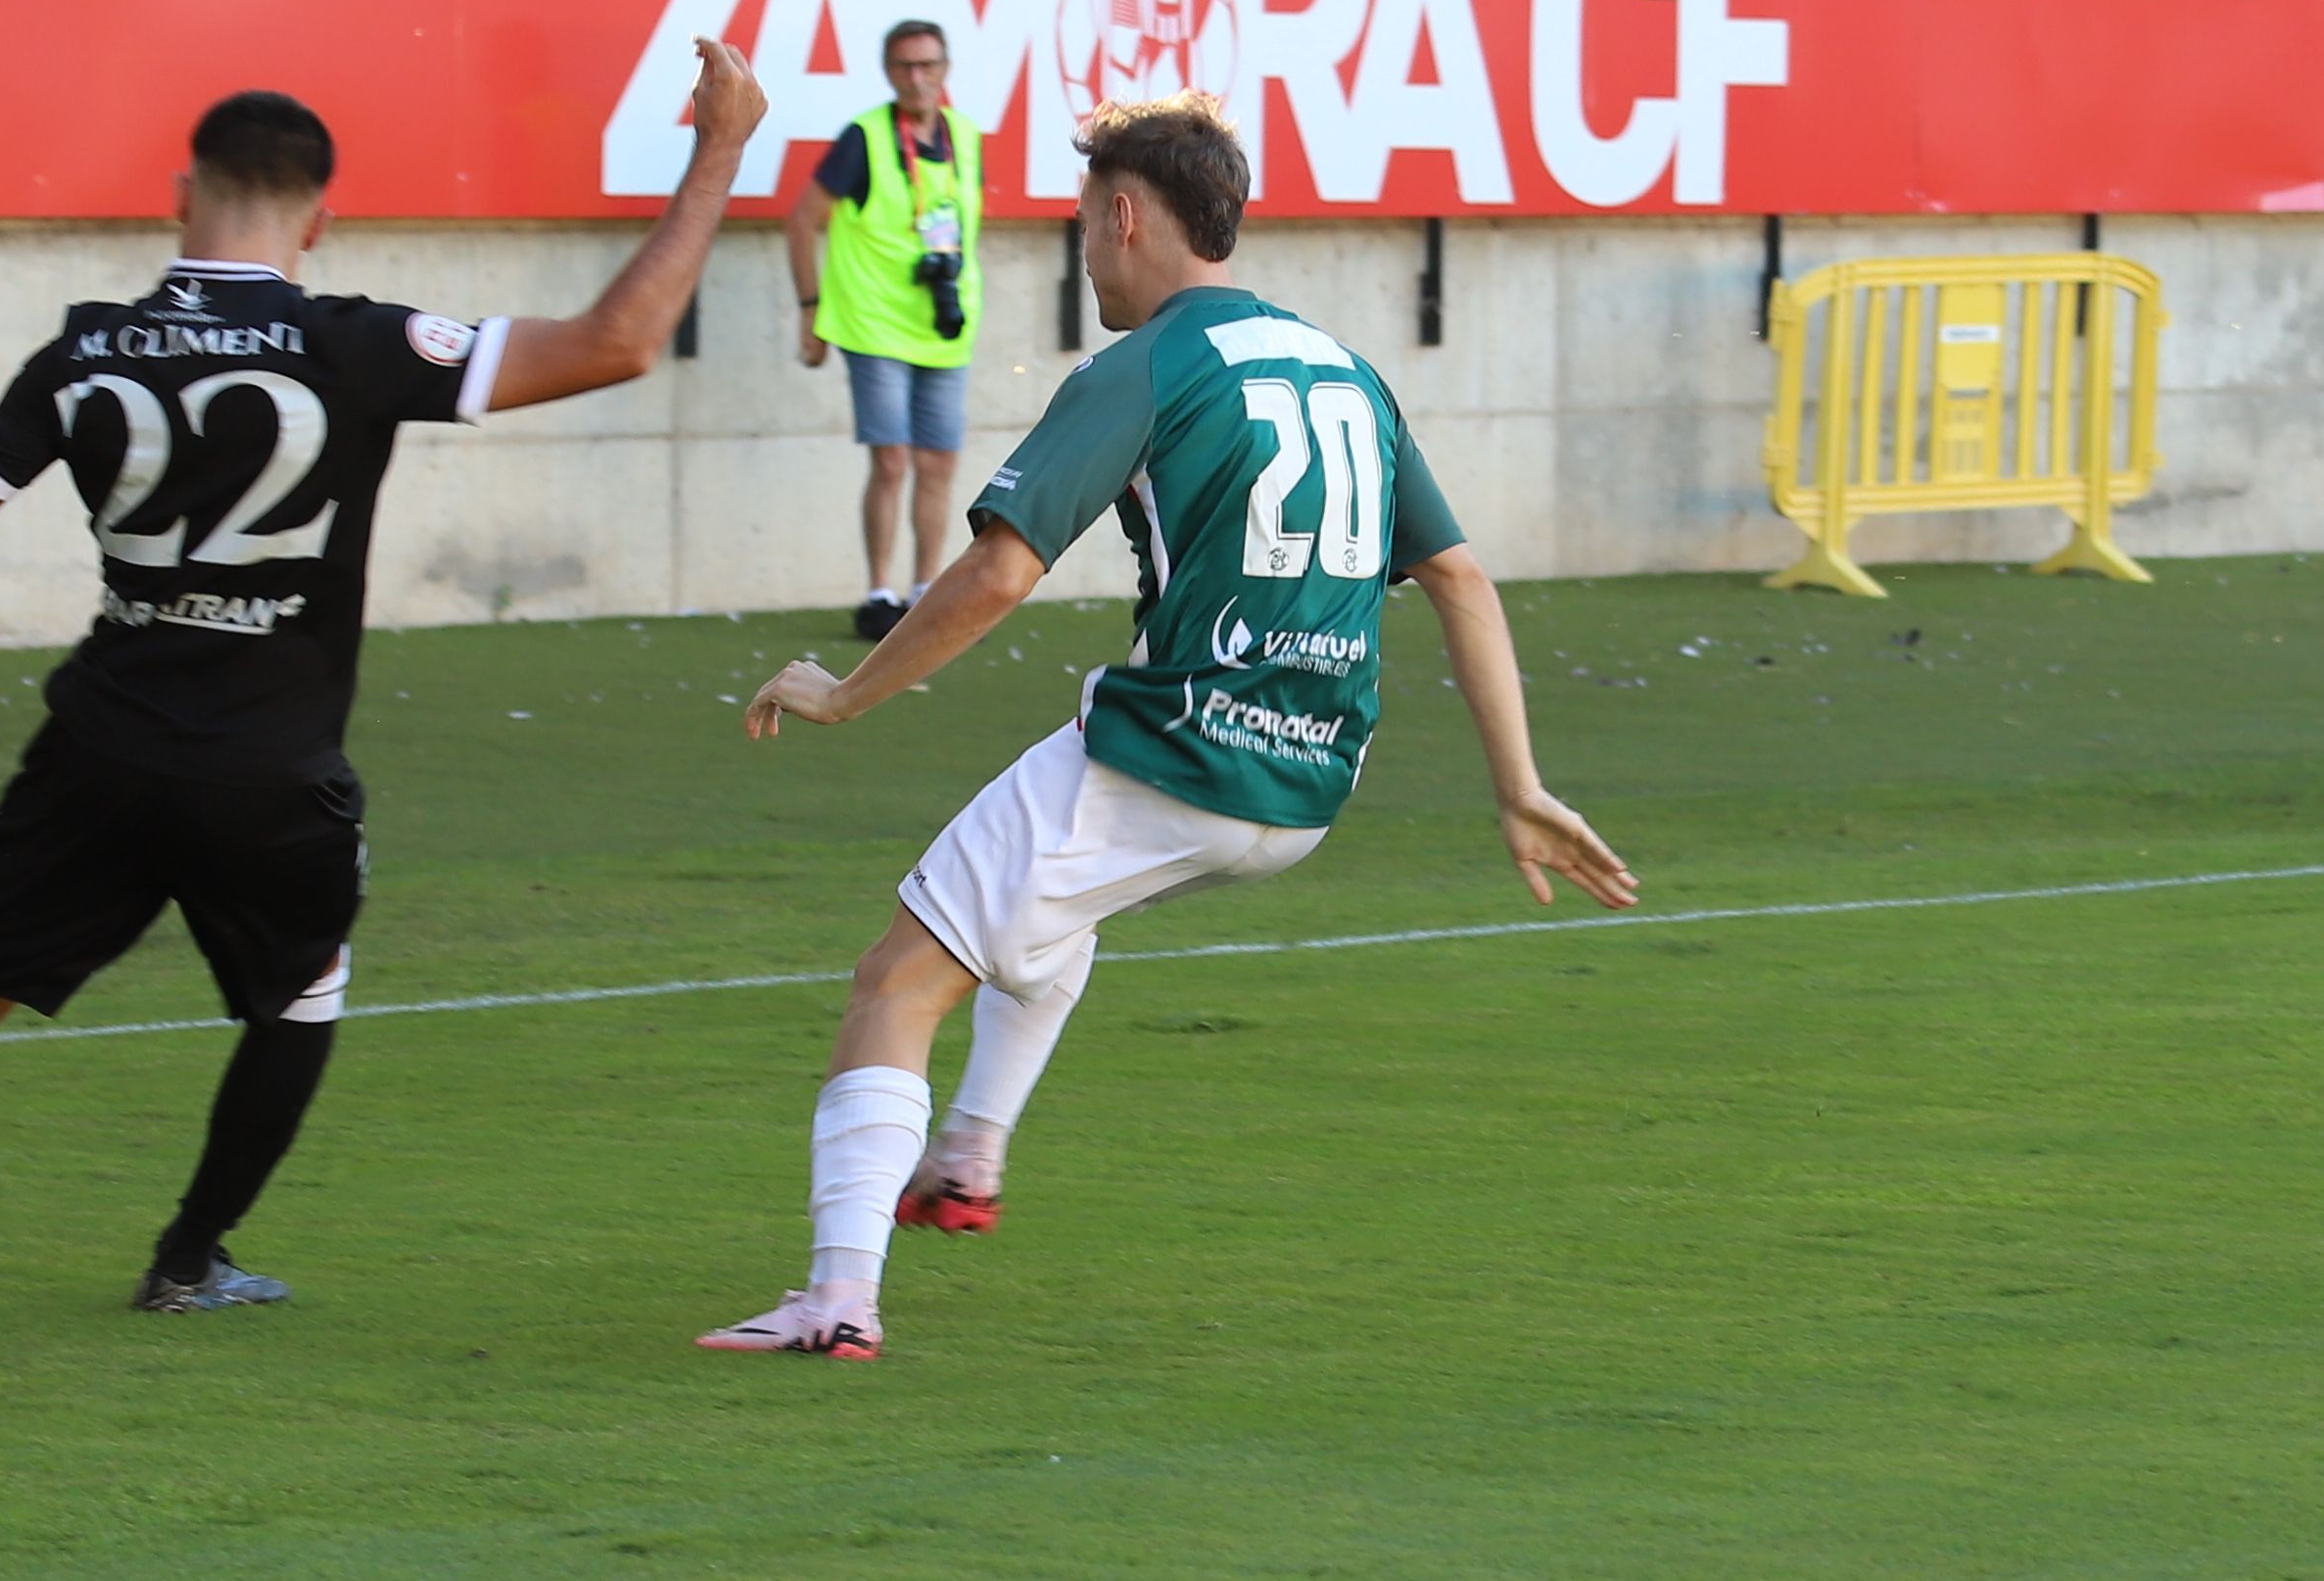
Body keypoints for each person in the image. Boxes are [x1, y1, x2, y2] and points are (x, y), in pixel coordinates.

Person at [0, 59, 768, 1313]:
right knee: (301, 992)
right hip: (270, 768)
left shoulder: (86, 351)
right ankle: (188, 1259)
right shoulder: (357, 341)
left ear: (182, 193)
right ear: (319, 217)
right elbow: (620, 342)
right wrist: (719, 148)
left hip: (102, 749)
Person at [692, 96, 1630, 1360]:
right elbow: (1459, 576)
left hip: (1175, 754)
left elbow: (997, 573)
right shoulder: (1348, 369)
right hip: (1304, 789)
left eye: (1085, 222)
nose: (1084, 251)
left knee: (895, 981)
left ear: (1126, 215)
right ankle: (967, 1154)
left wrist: (848, 691)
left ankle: (835, 1301)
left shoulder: (1145, 364)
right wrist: (1518, 784)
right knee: (1050, 887)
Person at [783, 24, 986, 643]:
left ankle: (925, 590)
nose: (917, 78)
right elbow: (802, 221)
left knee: (939, 462)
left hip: (943, 326)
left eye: (928, 65)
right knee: (892, 459)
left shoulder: (966, 138)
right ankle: (879, 591)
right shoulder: (865, 138)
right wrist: (810, 309)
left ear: (946, 67)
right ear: (888, 71)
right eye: (904, 66)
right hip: (872, 323)